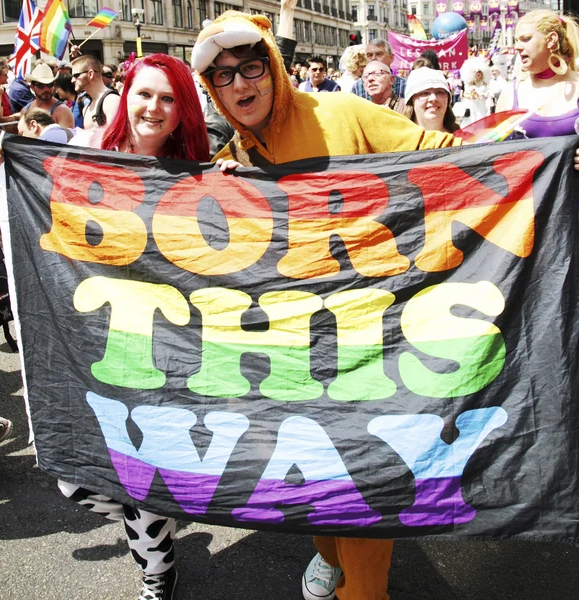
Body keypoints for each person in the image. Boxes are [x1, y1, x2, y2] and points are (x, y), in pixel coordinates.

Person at [191, 11, 459, 600]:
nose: (240, 84)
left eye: (250, 66)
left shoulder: (339, 111)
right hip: (291, 356)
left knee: (364, 478)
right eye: (222, 76)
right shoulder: (234, 158)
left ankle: (363, 591)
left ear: (273, 66)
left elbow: (439, 152)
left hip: (371, 343)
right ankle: (329, 557)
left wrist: (533, 154)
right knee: (311, 476)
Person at [0, 53, 209, 600]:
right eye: (144, 93)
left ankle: (156, 572)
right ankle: (161, 513)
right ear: (124, 94)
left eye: (167, 98)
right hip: (91, 342)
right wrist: (3, 164)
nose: (153, 108)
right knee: (79, 479)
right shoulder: (81, 151)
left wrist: (231, 186)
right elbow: (24, 202)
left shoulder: (197, 175)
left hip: (167, 348)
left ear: (182, 112)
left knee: (139, 470)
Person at [496, 9, 579, 137]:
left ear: (551, 39)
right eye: (517, 40)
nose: (517, 46)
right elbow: (495, 150)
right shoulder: (510, 94)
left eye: (526, 39)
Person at [70, 55, 120, 129]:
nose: (73, 80)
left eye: (76, 75)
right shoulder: (86, 108)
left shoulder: (112, 101)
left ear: (90, 74)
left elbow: (117, 137)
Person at [405, 66, 459, 133]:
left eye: (440, 92)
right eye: (425, 93)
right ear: (411, 100)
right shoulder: (400, 141)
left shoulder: (463, 140)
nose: (433, 98)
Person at [23, 64, 75, 129]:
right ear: (32, 87)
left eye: (50, 84)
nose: (46, 89)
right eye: (40, 85)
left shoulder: (62, 111)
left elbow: (67, 138)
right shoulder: (25, 110)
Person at [459, 57, 491, 127]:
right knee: (471, 119)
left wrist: (482, 95)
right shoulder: (469, 83)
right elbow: (465, 94)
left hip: (481, 105)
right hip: (471, 105)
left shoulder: (485, 84)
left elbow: (488, 93)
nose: (478, 74)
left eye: (480, 72)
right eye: (477, 73)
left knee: (481, 118)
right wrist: (470, 96)